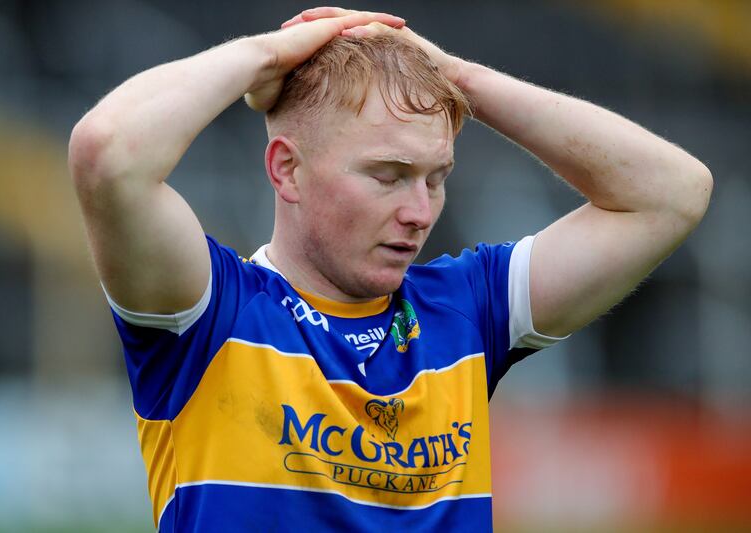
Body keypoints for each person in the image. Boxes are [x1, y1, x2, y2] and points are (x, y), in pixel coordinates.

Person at [68, 7, 712, 532]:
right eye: (388, 176)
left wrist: (456, 76)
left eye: (437, 178)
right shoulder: (210, 312)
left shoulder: (466, 309)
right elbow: (108, 152)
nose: (419, 211)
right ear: (286, 169)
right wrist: (269, 55)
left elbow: (672, 192)